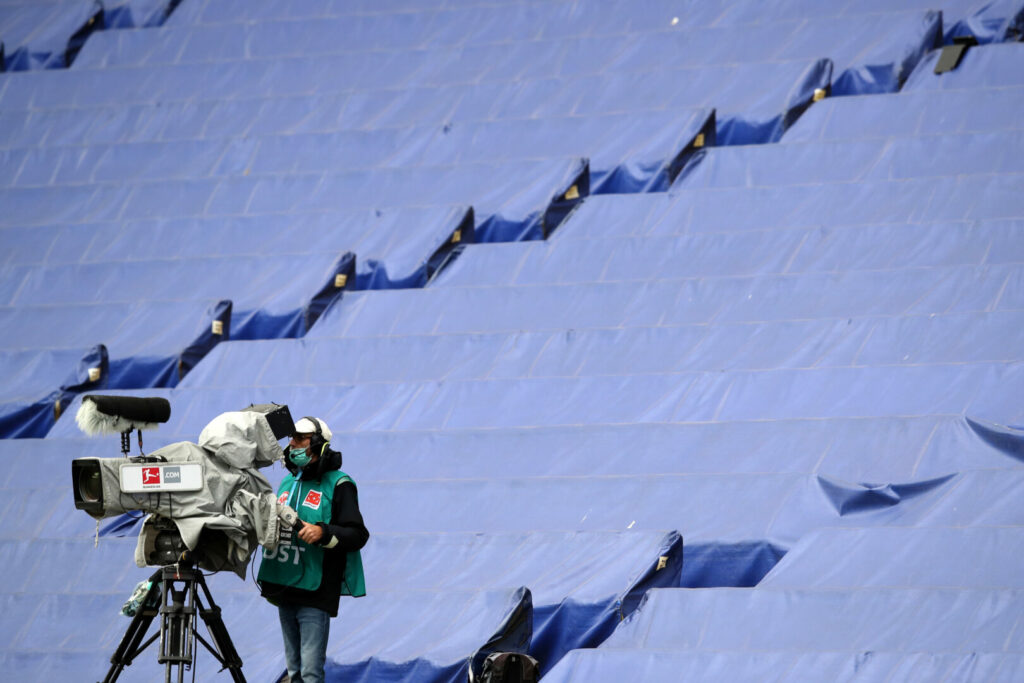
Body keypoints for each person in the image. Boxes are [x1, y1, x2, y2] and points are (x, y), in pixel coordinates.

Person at [258, 416, 368, 683]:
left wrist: (323, 531)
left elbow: (358, 534)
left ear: (317, 444)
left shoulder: (339, 484)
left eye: (300, 439)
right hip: (285, 584)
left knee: (310, 672)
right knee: (294, 671)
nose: (292, 444)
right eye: (291, 438)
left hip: (316, 589)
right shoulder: (286, 483)